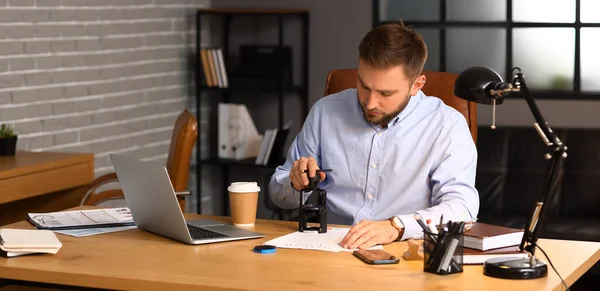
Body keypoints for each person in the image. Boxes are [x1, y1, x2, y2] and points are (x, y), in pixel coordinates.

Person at [268, 21, 479, 250]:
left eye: (386, 93)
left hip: (402, 253)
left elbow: (462, 209)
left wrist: (396, 227)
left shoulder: (447, 125)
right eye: (364, 86)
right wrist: (296, 183)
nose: (370, 103)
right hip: (328, 248)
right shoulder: (325, 112)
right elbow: (278, 196)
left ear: (416, 85)